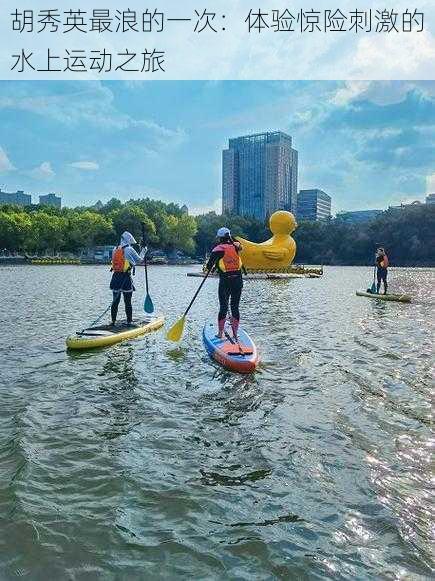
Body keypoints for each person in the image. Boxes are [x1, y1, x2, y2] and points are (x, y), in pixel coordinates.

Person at [206, 227, 244, 340]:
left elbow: (209, 266)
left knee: (223, 307)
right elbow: (239, 245)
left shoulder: (218, 249)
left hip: (225, 282)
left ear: (220, 238)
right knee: (235, 307)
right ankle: (235, 334)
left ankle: (220, 333)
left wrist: (213, 267)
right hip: (238, 281)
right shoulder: (237, 247)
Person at [110, 231, 146, 326]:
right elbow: (139, 260)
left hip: (115, 278)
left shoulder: (115, 249)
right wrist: (143, 251)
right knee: (128, 301)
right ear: (128, 240)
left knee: (115, 301)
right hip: (125, 278)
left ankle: (113, 322)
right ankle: (129, 322)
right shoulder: (129, 249)